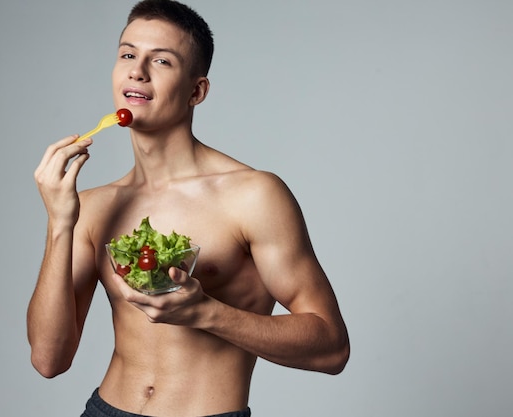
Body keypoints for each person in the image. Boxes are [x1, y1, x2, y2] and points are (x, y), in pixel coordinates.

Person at [27, 1, 350, 416]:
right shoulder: (92, 207)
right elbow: (48, 359)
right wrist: (59, 222)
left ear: (196, 90)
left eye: (161, 60)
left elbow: (331, 347)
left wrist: (207, 313)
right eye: (128, 54)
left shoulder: (253, 195)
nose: (137, 70)